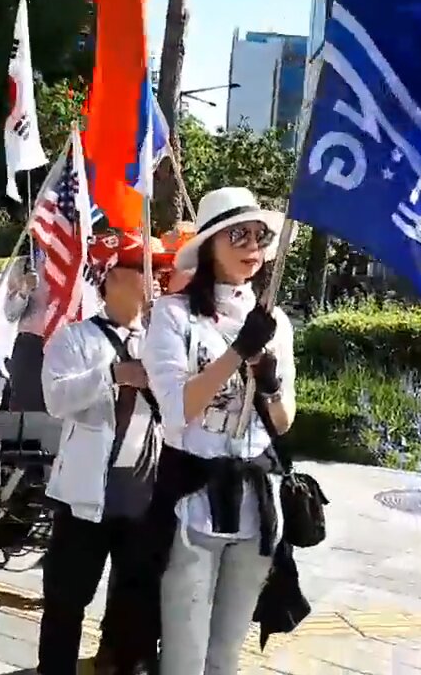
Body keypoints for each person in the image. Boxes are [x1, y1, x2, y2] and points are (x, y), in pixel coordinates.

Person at [142, 187, 299, 674]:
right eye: (239, 234)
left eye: (261, 234)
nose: (253, 245)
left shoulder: (277, 322)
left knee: (226, 651)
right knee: (184, 653)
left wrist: (269, 382)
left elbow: (284, 420)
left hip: (254, 501)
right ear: (211, 244)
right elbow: (176, 409)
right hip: (191, 496)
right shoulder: (172, 315)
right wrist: (237, 354)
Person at [36, 232, 175, 675]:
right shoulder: (74, 338)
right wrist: (114, 374)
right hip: (85, 495)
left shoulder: (162, 341)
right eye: (143, 270)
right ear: (113, 278)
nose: (154, 280)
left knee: (135, 596)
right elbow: (56, 399)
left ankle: (116, 661)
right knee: (66, 597)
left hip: (145, 494)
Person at [3, 250, 100, 412]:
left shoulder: (82, 267)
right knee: (27, 408)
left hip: (68, 345)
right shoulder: (26, 265)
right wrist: (24, 290)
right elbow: (10, 313)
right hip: (31, 346)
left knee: (61, 407)